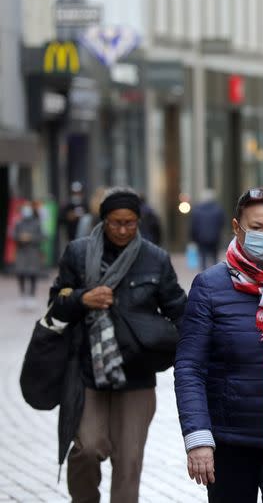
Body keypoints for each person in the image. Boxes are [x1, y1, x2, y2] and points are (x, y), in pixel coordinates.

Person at [175, 186, 263, 503]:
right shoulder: (210, 286)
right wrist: (198, 438)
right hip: (229, 443)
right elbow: (189, 367)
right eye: (257, 227)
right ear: (237, 228)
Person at [48, 187, 187, 503]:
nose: (123, 230)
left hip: (136, 375)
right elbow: (55, 303)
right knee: (87, 448)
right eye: (115, 223)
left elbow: (179, 310)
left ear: (138, 221)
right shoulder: (78, 253)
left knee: (128, 463)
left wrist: (184, 352)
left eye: (129, 223)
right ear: (103, 221)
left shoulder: (155, 258)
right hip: (86, 373)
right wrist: (83, 298)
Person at [13, 201, 44, 309]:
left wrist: (30, 237)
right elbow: (14, 235)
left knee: (33, 274)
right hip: (21, 252)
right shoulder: (18, 223)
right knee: (20, 273)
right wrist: (20, 237)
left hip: (33, 252)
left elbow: (42, 236)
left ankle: (32, 296)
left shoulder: (37, 223)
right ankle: (22, 296)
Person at [190, 188, 226, 270]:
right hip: (215, 237)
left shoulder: (197, 210)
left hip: (201, 237)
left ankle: (203, 273)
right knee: (214, 257)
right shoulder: (218, 209)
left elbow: (193, 225)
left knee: (202, 257)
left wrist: (193, 237)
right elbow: (222, 223)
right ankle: (215, 272)